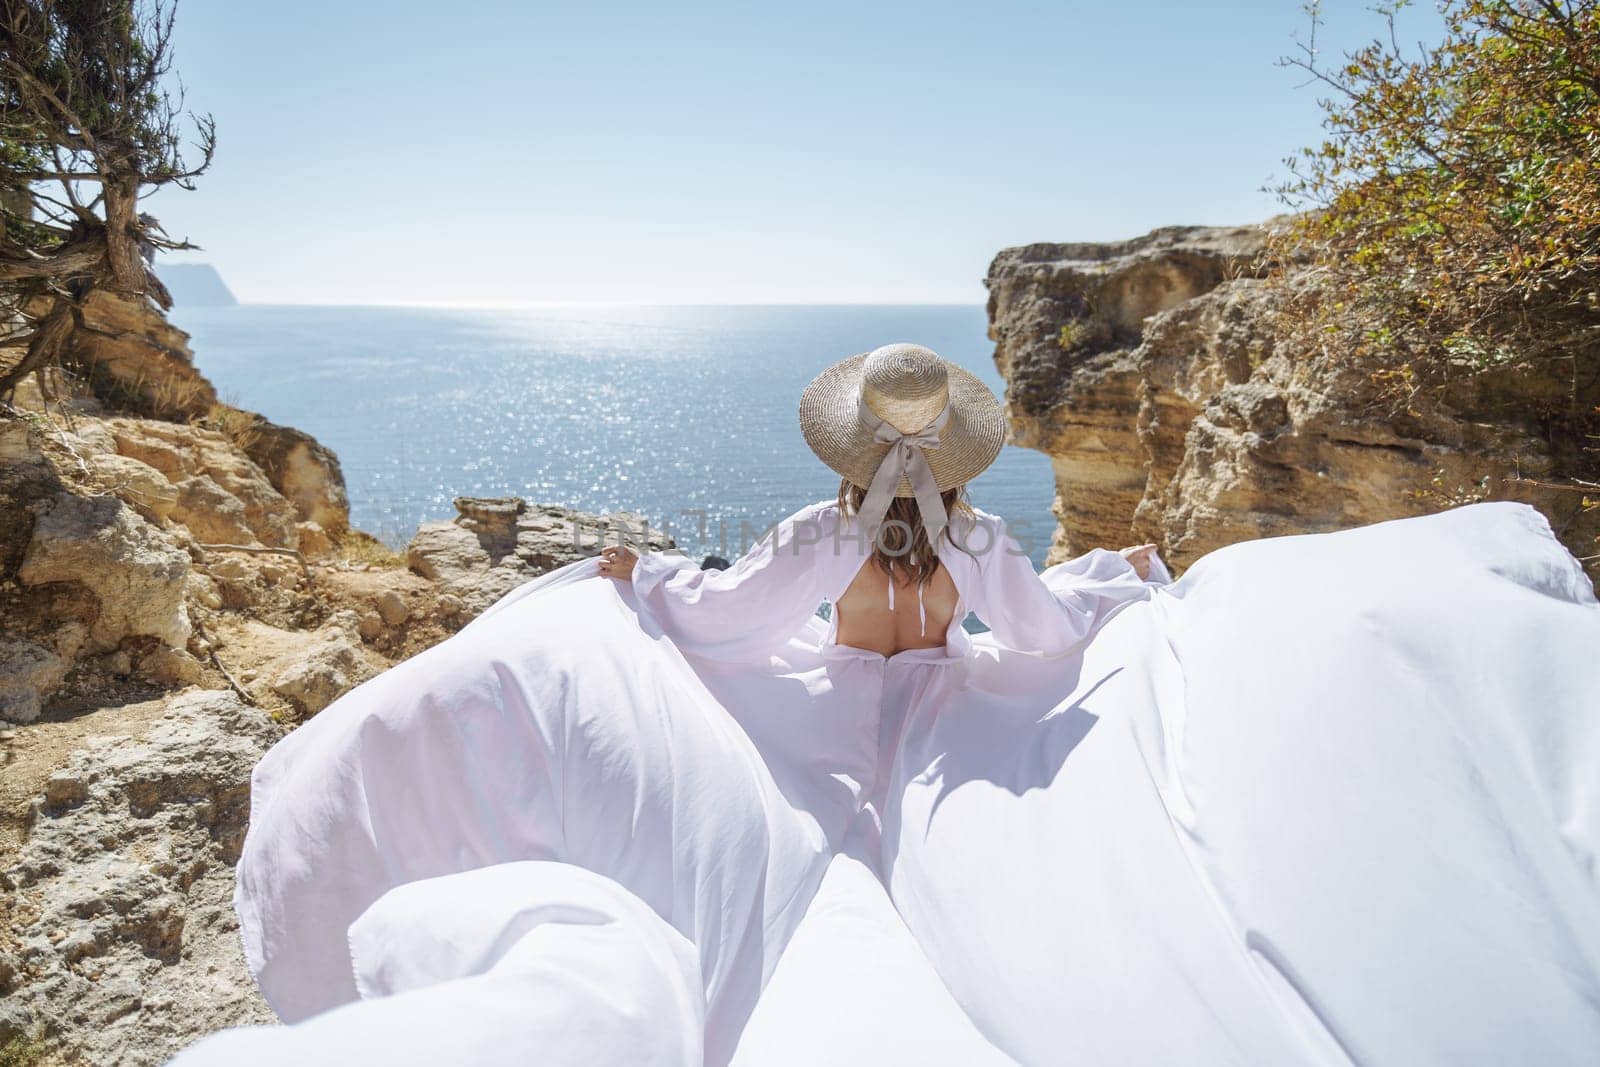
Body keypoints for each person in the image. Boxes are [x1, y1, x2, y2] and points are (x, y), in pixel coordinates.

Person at [174, 345, 1600, 1067]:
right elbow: (1037, 627)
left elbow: (723, 619)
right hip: (947, 719)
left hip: (846, 734)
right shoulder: (976, 542)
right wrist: (1109, 592)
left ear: (850, 455)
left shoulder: (820, 537)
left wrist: (643, 574)